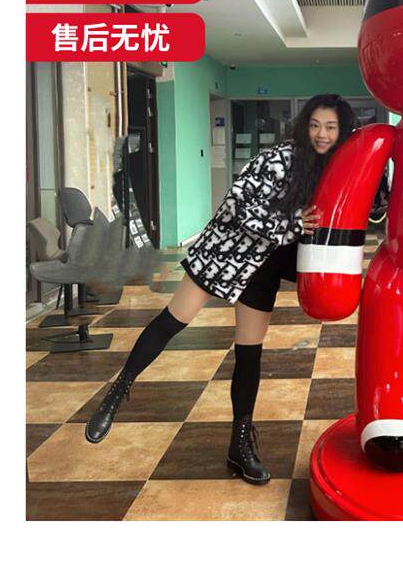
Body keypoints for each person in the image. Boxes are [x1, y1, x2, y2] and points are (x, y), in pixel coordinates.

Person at [84, 94, 358, 485]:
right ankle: (117, 392)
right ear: (304, 126)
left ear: (342, 130)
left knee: (249, 354)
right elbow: (237, 206)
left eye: (331, 127)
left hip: (263, 267)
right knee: (172, 321)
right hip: (225, 253)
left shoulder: (333, 166)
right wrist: (292, 224)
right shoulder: (278, 158)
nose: (322, 134)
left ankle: (239, 446)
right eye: (315, 125)